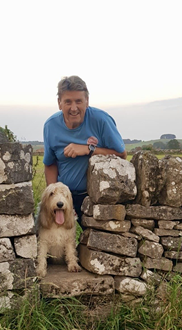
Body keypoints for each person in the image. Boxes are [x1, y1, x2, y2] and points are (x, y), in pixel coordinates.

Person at [42, 75, 127, 226]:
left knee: (97, 245)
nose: (74, 108)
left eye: (78, 101)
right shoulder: (50, 126)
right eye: (68, 102)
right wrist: (54, 198)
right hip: (64, 199)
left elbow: (121, 155)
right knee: (56, 243)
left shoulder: (101, 120)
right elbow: (50, 163)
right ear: (59, 103)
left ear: (87, 101)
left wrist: (88, 149)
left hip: (96, 198)